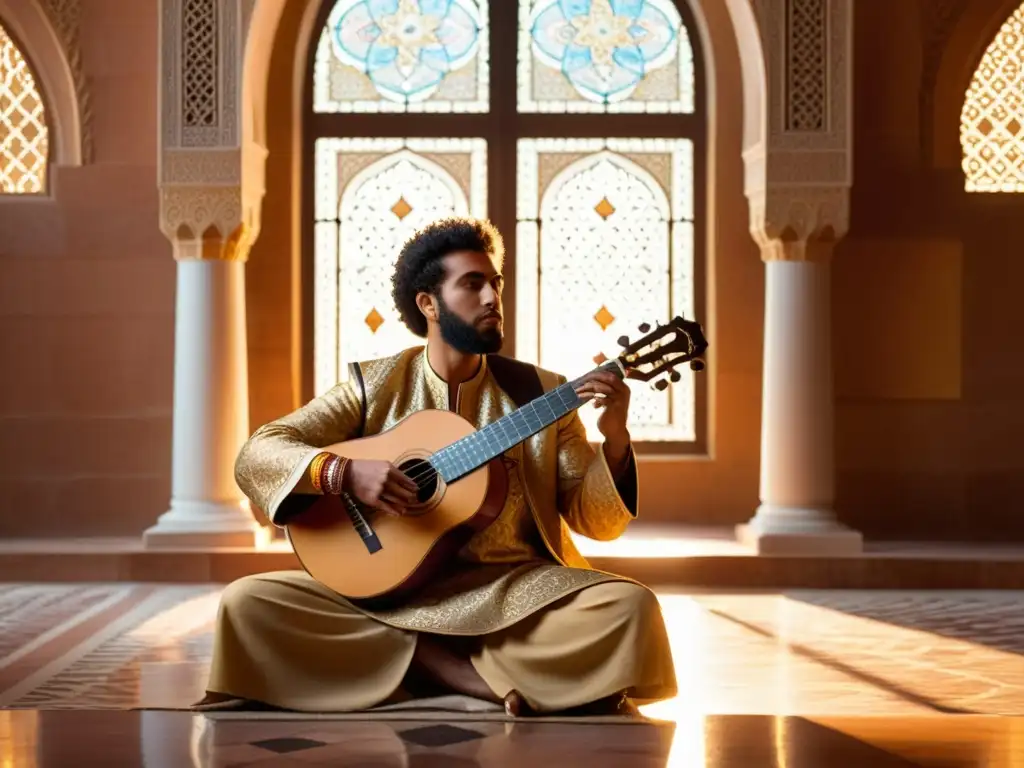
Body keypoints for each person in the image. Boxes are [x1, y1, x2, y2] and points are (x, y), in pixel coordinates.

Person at [195, 217, 677, 716]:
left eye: (496, 283)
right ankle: (465, 673)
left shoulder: (541, 393)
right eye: (473, 284)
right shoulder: (374, 387)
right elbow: (260, 451)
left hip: (513, 593)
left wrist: (614, 439)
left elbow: (595, 520)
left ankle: (410, 661)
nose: (492, 297)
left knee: (629, 609)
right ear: (428, 303)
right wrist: (345, 474)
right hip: (388, 593)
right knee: (248, 602)